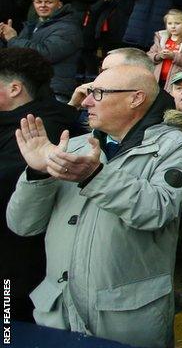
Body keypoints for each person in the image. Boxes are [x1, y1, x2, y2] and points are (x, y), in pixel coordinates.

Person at [6, 65, 182, 348]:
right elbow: (22, 224)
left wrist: (95, 176)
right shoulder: (73, 146)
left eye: (98, 93)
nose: (85, 101)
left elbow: (157, 209)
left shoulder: (173, 146)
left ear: (136, 98)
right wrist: (38, 173)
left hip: (125, 320)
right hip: (59, 314)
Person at [0, 48, 81, 323]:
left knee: (12, 329)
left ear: (14, 89)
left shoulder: (46, 125)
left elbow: (11, 181)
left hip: (20, 263)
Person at [1, 0, 82, 102]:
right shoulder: (32, 25)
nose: (42, 5)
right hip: (31, 89)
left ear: (59, 4)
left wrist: (13, 39)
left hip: (55, 92)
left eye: (48, 2)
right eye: (38, 2)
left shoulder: (69, 28)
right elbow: (17, 55)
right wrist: (5, 38)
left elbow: (45, 53)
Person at [147, 9, 182, 91]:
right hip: (157, 79)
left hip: (177, 82)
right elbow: (149, 55)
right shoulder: (161, 39)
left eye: (177, 23)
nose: (173, 26)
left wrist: (173, 56)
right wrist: (159, 56)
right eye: (169, 23)